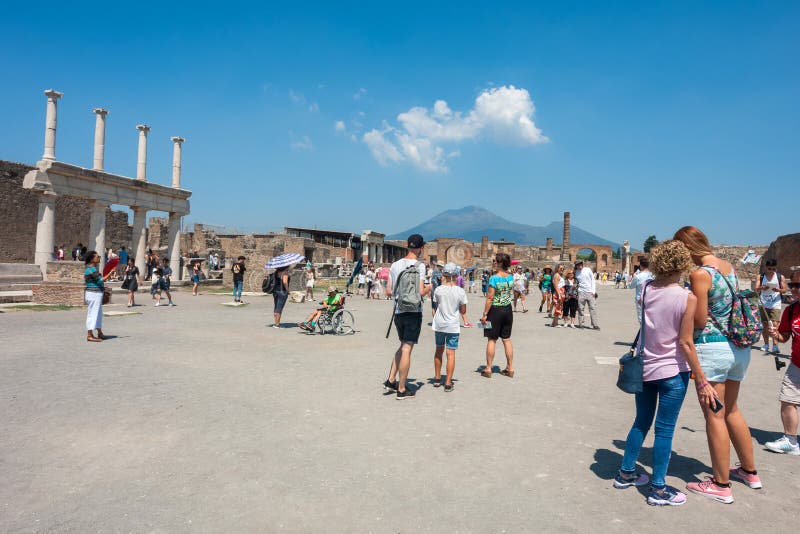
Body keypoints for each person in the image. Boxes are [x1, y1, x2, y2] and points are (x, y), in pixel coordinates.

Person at [614, 240, 715, 506]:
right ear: (683, 264)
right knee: (665, 430)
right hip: (673, 371)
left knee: (641, 421)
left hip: (645, 367)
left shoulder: (647, 288)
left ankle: (625, 473)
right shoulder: (687, 297)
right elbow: (685, 342)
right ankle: (658, 488)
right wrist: (702, 379)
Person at [674, 226, 761, 504]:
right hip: (739, 348)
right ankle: (749, 472)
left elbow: (699, 320)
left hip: (713, 349)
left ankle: (720, 484)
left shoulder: (700, 274)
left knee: (715, 415)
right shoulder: (728, 267)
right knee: (732, 410)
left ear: (687, 247)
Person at [384, 234, 430, 400]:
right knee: (407, 348)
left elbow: (388, 291)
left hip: (398, 311)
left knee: (403, 345)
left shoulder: (395, 265)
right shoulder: (420, 266)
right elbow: (420, 292)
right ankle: (402, 389)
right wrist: (429, 288)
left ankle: (391, 380)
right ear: (420, 248)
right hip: (413, 312)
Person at [764, 271, 800, 455]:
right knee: (787, 399)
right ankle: (791, 441)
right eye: (793, 285)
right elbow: (784, 336)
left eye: (798, 286)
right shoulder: (791, 310)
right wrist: (775, 335)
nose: (794, 289)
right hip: (796, 364)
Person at [431, 262, 467, 392]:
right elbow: (463, 311)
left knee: (438, 350)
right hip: (452, 325)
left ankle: (436, 378)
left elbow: (435, 306)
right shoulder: (460, 291)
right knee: (450, 353)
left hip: (440, 323)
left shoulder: (438, 290)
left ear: (444, 274)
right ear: (456, 275)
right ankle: (447, 382)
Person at [480, 253, 515, 378]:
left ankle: (488, 368)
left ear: (500, 263)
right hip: (507, 309)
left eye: (495, 261)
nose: (493, 263)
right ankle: (510, 368)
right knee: (506, 339)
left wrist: (484, 314)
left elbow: (490, 297)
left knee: (492, 339)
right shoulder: (510, 277)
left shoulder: (494, 278)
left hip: (495, 310)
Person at [756, 259, 787, 352]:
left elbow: (785, 290)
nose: (771, 271)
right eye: (769, 268)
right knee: (765, 325)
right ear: (766, 267)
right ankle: (766, 345)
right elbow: (756, 289)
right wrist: (762, 287)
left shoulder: (780, 277)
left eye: (774, 269)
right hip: (763, 303)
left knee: (775, 325)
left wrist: (779, 290)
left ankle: (775, 345)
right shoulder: (761, 276)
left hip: (775, 303)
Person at [83, 250, 113, 342]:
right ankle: (89, 334)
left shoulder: (91, 268)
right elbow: (100, 280)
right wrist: (110, 273)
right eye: (97, 256)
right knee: (93, 314)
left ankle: (99, 332)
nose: (99, 258)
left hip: (95, 293)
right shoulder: (91, 269)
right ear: (92, 259)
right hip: (93, 294)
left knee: (98, 314)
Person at [575, 260, 600, 330]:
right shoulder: (575, 272)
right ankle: (581, 324)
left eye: (580, 264)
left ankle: (595, 324)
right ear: (576, 265)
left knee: (593, 308)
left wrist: (593, 291)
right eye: (577, 265)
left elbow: (593, 280)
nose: (579, 265)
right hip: (581, 292)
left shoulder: (588, 270)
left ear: (582, 264)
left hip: (590, 292)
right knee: (580, 309)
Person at [630, 259, 656, 323]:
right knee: (650, 318)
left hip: (640, 300)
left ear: (640, 266)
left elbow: (631, 286)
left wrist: (634, 277)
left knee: (641, 319)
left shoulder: (638, 276)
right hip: (651, 298)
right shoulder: (653, 276)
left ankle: (643, 332)